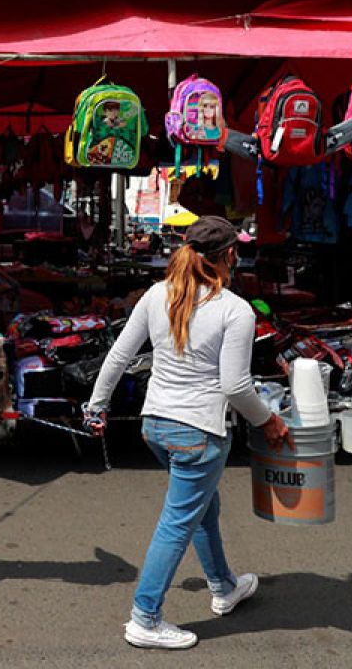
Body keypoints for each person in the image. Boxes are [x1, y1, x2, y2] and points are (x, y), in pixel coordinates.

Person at [84, 216, 291, 650]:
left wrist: (97, 405)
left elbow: (120, 353)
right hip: (199, 434)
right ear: (228, 256)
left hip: (156, 426)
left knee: (201, 509)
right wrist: (268, 421)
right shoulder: (235, 309)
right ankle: (144, 617)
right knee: (177, 523)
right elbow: (236, 387)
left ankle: (223, 586)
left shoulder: (156, 296)